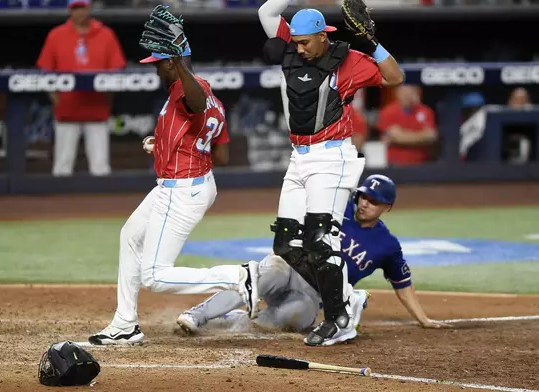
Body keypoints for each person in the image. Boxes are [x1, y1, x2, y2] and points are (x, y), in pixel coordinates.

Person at [88, 6, 259, 346]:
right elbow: (219, 153)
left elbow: (193, 104)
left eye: (158, 65)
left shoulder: (187, 90)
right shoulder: (210, 92)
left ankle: (239, 277)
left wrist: (178, 59)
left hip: (182, 189)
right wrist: (165, 144)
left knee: (155, 275)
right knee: (130, 236)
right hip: (188, 180)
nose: (155, 72)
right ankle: (125, 323)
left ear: (171, 63)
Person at [258, 0, 404, 346]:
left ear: (324, 36)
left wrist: (371, 42)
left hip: (333, 158)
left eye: (306, 41)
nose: (299, 47)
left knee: (320, 241)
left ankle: (339, 319)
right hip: (299, 158)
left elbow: (394, 77)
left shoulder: (348, 59)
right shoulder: (294, 49)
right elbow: (266, 12)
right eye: (295, 41)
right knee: (286, 243)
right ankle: (348, 297)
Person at [177, 174, 450, 335]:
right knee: (259, 276)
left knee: (294, 319)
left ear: (387, 207)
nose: (365, 203)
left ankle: (237, 319)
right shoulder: (334, 210)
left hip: (313, 296)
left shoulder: (388, 246)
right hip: (289, 269)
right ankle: (197, 315)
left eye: (374, 201)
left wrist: (423, 320)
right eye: (363, 197)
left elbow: (402, 285)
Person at [37, 0, 126, 176]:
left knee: (100, 169)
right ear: (70, 10)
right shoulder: (56, 35)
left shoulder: (105, 34)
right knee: (62, 167)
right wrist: (55, 97)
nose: (80, 12)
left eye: (83, 7)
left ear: (89, 8)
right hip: (67, 111)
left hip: (97, 110)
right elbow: (46, 71)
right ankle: (60, 204)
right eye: (75, 8)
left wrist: (108, 96)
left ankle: (101, 204)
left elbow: (117, 71)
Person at [377, 84, 437, 166]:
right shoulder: (388, 112)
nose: (407, 95)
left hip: (422, 163)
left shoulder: (426, 111)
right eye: (404, 91)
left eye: (411, 91)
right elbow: (397, 137)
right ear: (396, 92)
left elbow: (431, 137)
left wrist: (403, 137)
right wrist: (421, 137)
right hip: (395, 165)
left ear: (418, 92)